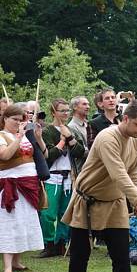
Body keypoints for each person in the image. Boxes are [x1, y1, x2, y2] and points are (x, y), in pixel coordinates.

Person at [52, 100, 137, 272]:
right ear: (125, 118)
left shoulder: (135, 141)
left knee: (120, 257)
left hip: (115, 203)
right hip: (86, 202)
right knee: (80, 256)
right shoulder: (107, 137)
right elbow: (117, 172)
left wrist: (136, 201)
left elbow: (132, 173)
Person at [0, 104, 44, 272]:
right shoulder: (2, 136)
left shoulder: (25, 136)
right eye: (15, 119)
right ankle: (8, 266)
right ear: (5, 119)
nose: (18, 123)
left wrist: (38, 138)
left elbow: (43, 156)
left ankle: (18, 261)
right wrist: (18, 137)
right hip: (10, 184)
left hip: (28, 183)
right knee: (10, 223)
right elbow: (5, 155)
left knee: (24, 222)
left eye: (21, 120)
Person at [39, 98, 85, 258]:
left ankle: (61, 243)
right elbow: (49, 155)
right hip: (52, 177)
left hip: (69, 177)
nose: (66, 114)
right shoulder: (47, 131)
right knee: (48, 213)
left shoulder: (71, 129)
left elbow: (80, 152)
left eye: (67, 110)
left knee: (65, 213)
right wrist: (62, 140)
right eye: (62, 111)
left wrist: (70, 138)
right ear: (53, 112)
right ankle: (49, 244)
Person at [67, 96, 90, 174]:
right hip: (82, 170)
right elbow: (81, 152)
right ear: (75, 107)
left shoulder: (88, 124)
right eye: (84, 104)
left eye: (88, 104)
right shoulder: (72, 127)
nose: (88, 107)